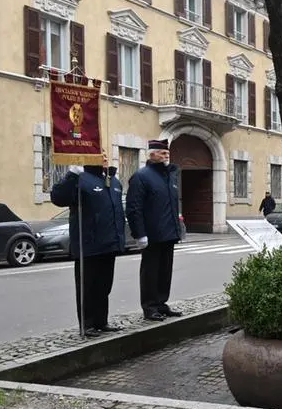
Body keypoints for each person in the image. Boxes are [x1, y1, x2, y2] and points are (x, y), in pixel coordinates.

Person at [50, 152, 126, 338]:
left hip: (109, 243)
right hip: (88, 244)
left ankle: (102, 321)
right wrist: (72, 174)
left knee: (104, 286)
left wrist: (119, 239)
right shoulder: (81, 179)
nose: (105, 158)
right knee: (87, 287)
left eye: (106, 155)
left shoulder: (113, 181)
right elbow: (58, 197)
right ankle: (87, 324)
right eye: (100, 155)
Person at [126, 139, 183, 322]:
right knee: (150, 272)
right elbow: (134, 208)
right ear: (151, 154)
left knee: (165, 272)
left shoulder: (170, 176)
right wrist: (139, 234)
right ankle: (150, 307)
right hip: (151, 235)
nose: (166, 155)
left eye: (167, 153)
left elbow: (173, 204)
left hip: (169, 233)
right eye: (162, 153)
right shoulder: (142, 176)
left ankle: (161, 303)